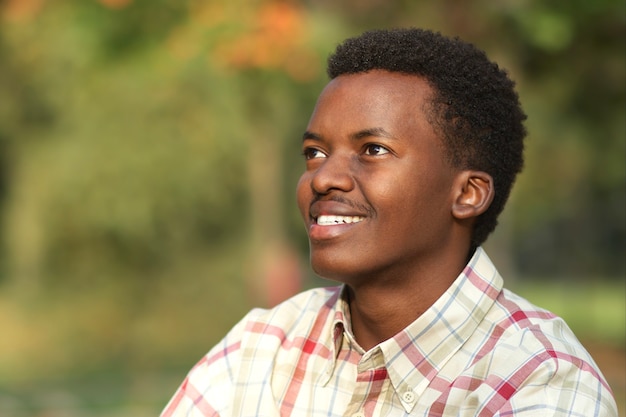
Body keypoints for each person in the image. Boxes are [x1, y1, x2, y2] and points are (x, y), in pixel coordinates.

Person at [161, 28, 617, 417]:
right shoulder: (261, 347)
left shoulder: (540, 382)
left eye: (373, 150)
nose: (324, 178)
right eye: (314, 153)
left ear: (467, 194)